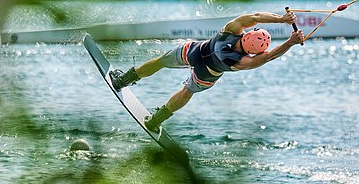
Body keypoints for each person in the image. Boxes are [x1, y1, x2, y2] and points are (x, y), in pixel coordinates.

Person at [110, 11, 305, 132]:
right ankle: (156, 120)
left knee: (161, 62)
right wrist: (290, 42)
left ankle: (124, 79)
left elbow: (255, 17)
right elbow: (269, 56)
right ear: (257, 50)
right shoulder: (244, 61)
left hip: (194, 52)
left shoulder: (232, 29)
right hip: (208, 74)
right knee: (188, 91)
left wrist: (281, 19)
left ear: (250, 34)